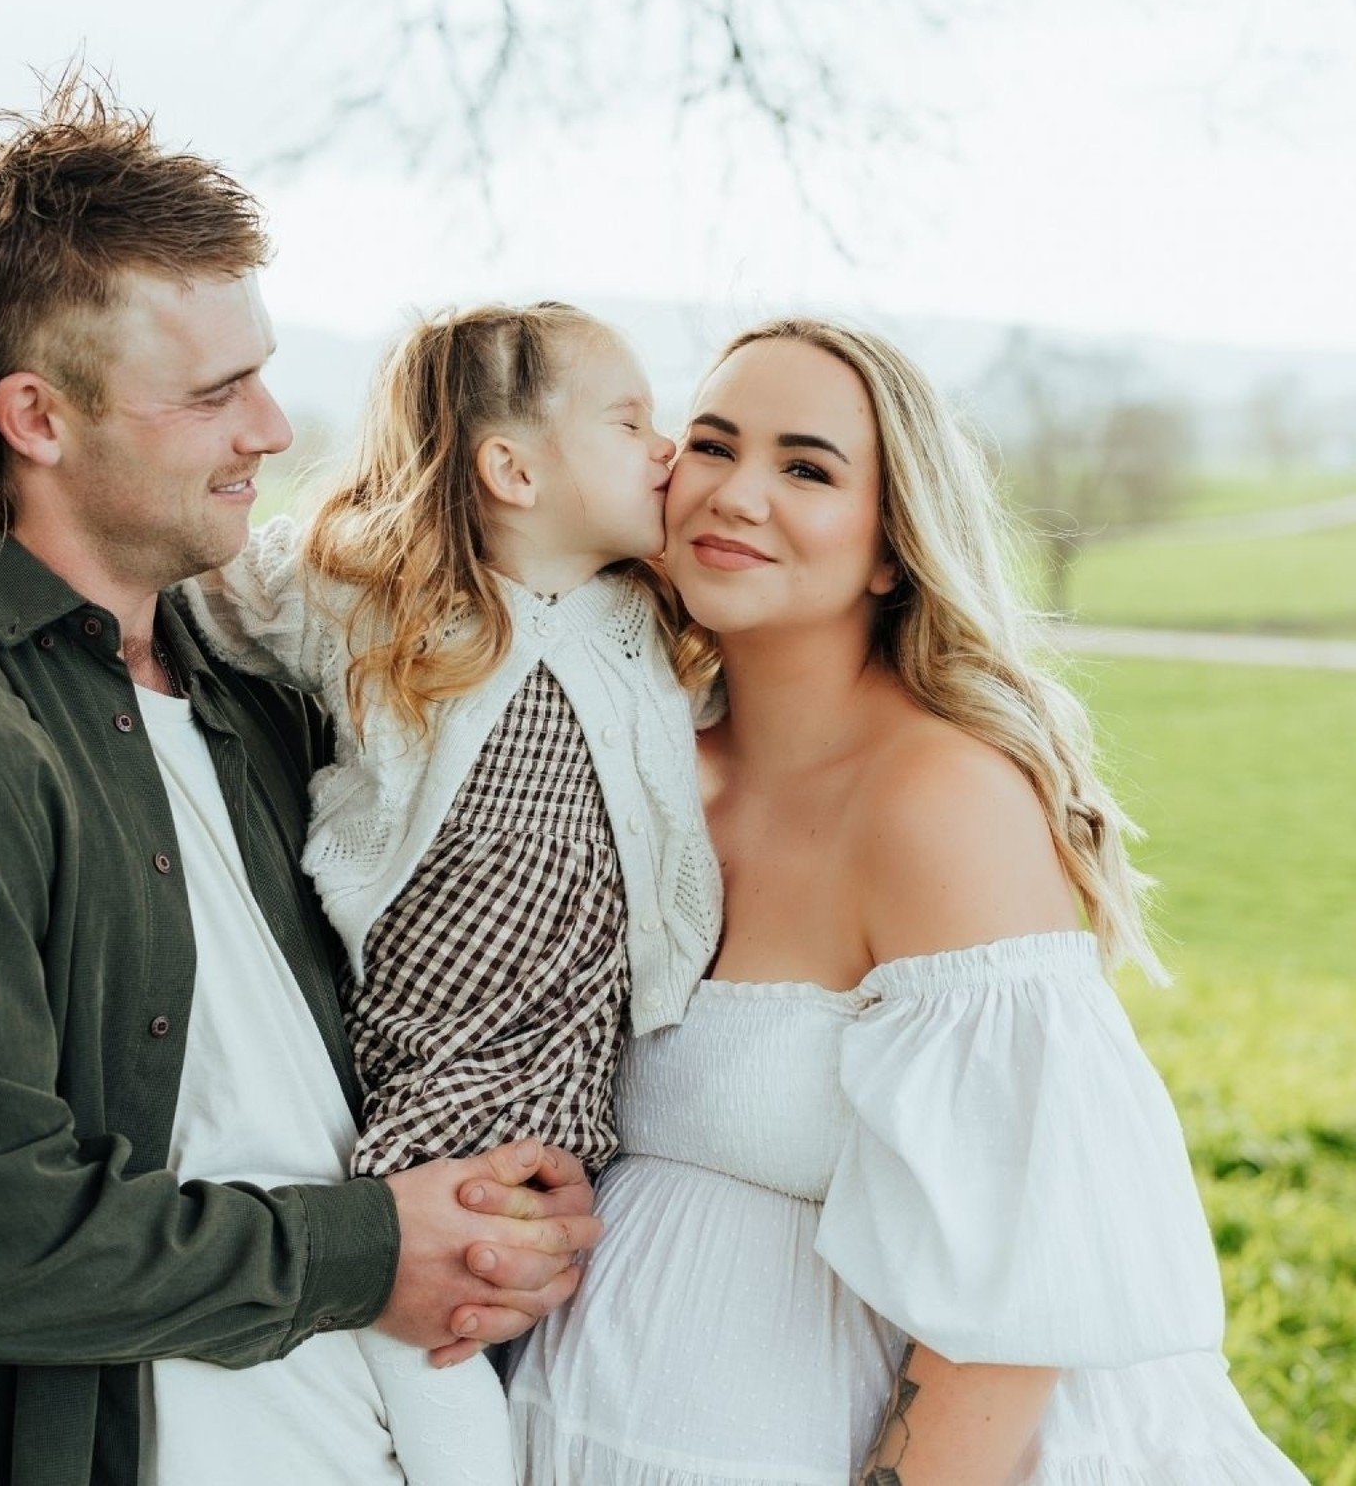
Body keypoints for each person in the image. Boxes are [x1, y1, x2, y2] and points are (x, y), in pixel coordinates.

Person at [0, 78, 601, 1486]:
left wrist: (496, 1194)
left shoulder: (266, 700)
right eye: (216, 392)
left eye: (265, 372)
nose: (274, 430)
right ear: (38, 417)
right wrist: (375, 1253)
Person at [507, 318, 1307, 1484]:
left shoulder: (942, 803)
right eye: (714, 445)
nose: (736, 493)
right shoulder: (645, 758)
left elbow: (1016, 1304)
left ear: (890, 547)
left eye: (807, 468)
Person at [180, 302, 722, 1485]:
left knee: (534, 1320)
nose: (667, 448)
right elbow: (195, 593)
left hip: (578, 1051)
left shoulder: (653, 616)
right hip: (441, 1051)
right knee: (438, 1339)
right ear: (513, 467)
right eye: (631, 421)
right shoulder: (376, 592)